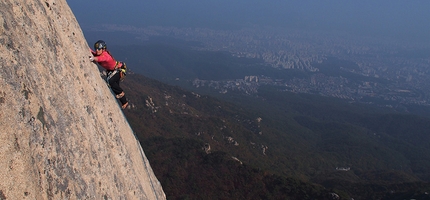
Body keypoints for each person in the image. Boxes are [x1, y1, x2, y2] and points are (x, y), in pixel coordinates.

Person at [90, 40, 129, 109]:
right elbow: (95, 54)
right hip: (113, 70)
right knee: (115, 86)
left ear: (103, 49)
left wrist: (93, 58)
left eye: (99, 49)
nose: (97, 50)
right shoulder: (101, 53)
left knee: (110, 81)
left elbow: (100, 59)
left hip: (118, 69)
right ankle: (124, 102)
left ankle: (121, 94)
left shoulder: (105, 56)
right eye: (96, 49)